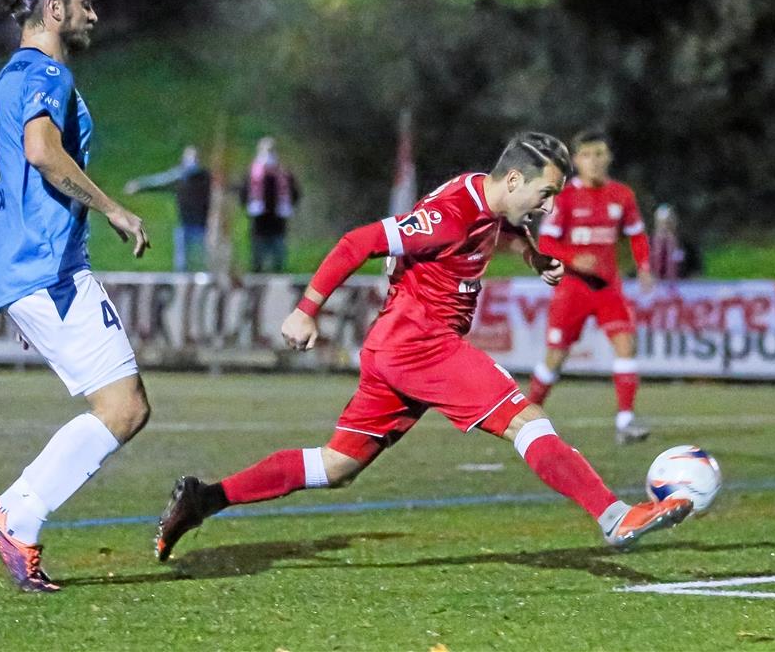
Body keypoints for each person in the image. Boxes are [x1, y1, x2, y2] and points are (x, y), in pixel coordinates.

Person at [155, 133, 692, 561]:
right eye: (544, 194)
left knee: (337, 465)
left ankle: (206, 498)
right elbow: (358, 242)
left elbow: (500, 228)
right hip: (420, 345)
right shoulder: (449, 214)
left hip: (397, 348)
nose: (547, 206)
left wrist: (531, 255)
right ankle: (612, 514)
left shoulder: (486, 200)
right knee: (524, 420)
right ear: (512, 178)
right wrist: (306, 309)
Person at [0, 0, 151, 592]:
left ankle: (14, 516)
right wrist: (114, 209)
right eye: (85, 2)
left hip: (28, 275)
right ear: (53, 10)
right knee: (124, 408)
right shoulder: (48, 73)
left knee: (121, 405)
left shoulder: (0, 85)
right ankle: (15, 516)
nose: (93, 14)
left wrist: (16, 285)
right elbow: (46, 153)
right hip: (50, 272)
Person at [525, 129, 655, 444]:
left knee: (626, 344)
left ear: (608, 157)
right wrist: (573, 259)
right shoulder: (564, 197)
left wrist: (644, 267)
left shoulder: (622, 195)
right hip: (573, 288)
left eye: (599, 154)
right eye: (586, 155)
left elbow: (636, 234)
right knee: (556, 356)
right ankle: (527, 418)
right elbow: (546, 242)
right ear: (576, 161)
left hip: (608, 287)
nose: (594, 162)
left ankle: (625, 421)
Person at [125, 145, 211, 272]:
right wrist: (140, 185)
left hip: (202, 226)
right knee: (182, 263)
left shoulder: (205, 178)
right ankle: (182, 285)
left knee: (204, 261)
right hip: (185, 224)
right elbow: (160, 182)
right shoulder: (181, 178)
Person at [240, 136, 299, 272]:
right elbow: (243, 193)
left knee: (278, 258)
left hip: (278, 223)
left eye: (271, 150)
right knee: (257, 259)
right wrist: (249, 206)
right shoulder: (253, 173)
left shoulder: (284, 173)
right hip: (259, 223)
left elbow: (294, 193)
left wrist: (287, 207)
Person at [650, 203, 701, 281]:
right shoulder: (647, 244)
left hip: (681, 289)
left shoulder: (686, 245)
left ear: (675, 222)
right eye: (662, 223)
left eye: (669, 222)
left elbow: (696, 270)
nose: (666, 226)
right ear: (656, 223)